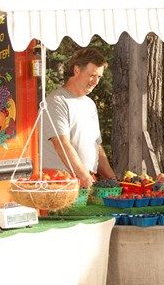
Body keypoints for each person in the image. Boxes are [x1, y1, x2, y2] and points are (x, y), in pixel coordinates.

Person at [42, 48, 116, 188]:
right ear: (77, 70)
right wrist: (85, 177)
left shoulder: (90, 104)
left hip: (85, 181)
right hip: (60, 183)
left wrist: (114, 181)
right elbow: (62, 144)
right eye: (92, 75)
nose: (96, 81)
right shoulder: (56, 101)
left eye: (99, 77)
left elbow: (96, 146)